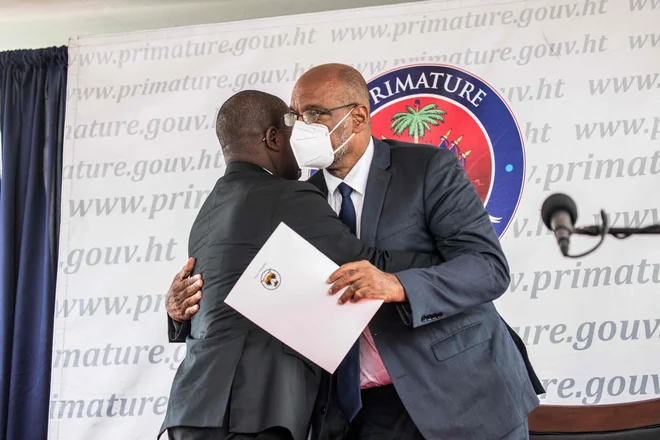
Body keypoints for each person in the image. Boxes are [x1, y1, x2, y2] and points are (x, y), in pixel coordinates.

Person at [166, 64, 544, 440]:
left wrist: (398, 285)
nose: (302, 127)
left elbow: (488, 268)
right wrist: (180, 310)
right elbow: (247, 284)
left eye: (313, 114)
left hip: (461, 391)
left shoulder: (427, 168)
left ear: (358, 116)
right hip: (359, 409)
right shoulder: (293, 196)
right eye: (295, 117)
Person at [158, 89, 440, 440]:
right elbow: (367, 266)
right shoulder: (287, 196)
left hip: (193, 408)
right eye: (295, 128)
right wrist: (445, 260)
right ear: (273, 138)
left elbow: (206, 303)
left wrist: (174, 314)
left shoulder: (209, 210)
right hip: (253, 410)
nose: (305, 138)